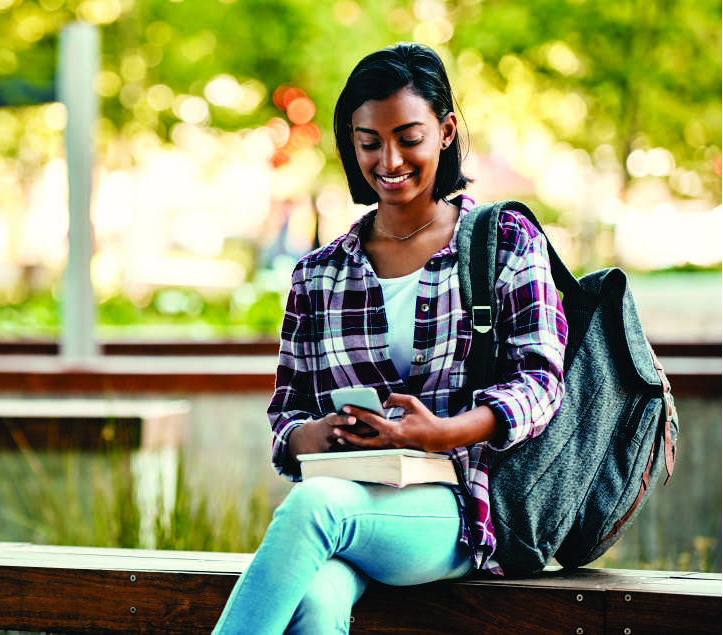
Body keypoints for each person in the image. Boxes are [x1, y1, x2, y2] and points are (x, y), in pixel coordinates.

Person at [212, 42, 568, 634]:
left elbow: (540, 380)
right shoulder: (318, 274)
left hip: (456, 510)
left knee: (313, 507)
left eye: (409, 137)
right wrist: (315, 435)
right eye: (369, 141)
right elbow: (286, 415)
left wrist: (442, 432)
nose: (389, 159)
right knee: (317, 603)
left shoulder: (503, 239)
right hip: (352, 504)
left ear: (447, 131)